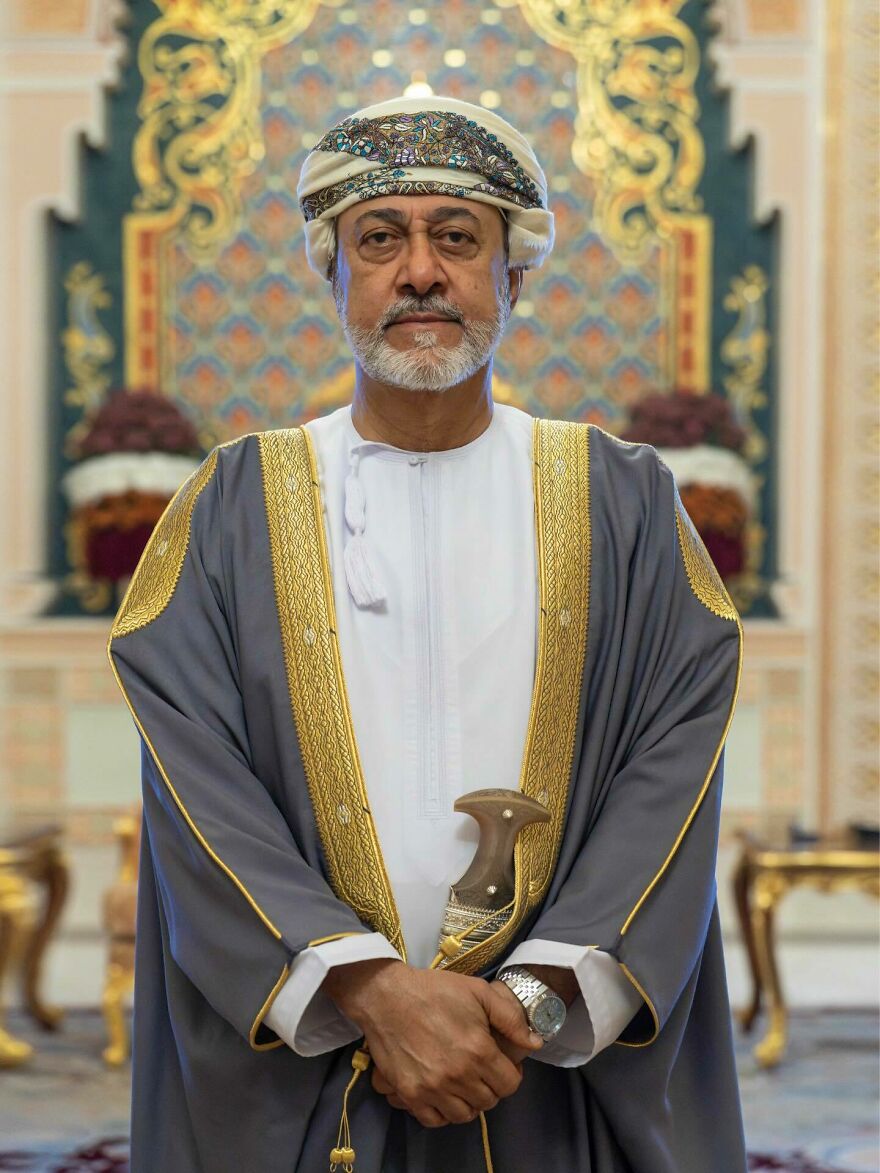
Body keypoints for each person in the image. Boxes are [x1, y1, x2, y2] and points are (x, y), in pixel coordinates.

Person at [108, 95, 747, 1172]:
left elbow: (672, 764)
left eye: (457, 237)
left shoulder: (623, 500)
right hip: (308, 1065)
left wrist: (528, 1005)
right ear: (333, 271)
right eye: (379, 239)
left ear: (515, 273)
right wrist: (367, 986)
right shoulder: (229, 506)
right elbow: (195, 786)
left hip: (541, 1069)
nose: (419, 272)